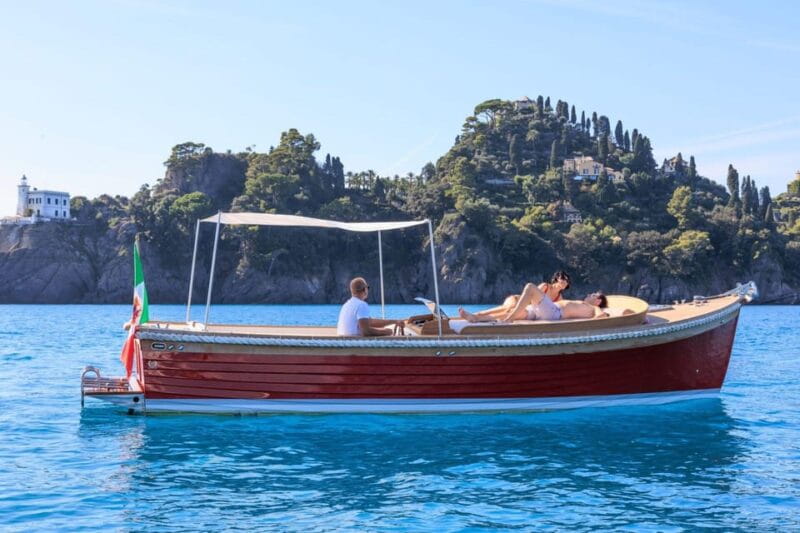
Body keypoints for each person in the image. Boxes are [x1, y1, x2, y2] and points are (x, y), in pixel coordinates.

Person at [460, 283, 609, 323]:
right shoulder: (581, 303)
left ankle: (510, 318)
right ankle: (476, 318)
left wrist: (584, 328)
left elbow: (601, 315)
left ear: (598, 300)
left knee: (530, 287)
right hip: (544, 312)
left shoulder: (591, 307)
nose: (589, 294)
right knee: (516, 312)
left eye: (593, 294)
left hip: (554, 313)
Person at [463, 271, 571, 322]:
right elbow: (531, 298)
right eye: (563, 278)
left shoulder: (559, 298)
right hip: (518, 300)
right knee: (506, 309)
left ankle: (476, 317)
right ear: (557, 278)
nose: (565, 281)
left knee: (508, 312)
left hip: (526, 307)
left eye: (567, 280)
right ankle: (476, 315)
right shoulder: (545, 286)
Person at [337, 277, 405, 336]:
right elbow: (366, 331)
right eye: (368, 288)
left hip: (346, 340)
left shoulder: (346, 305)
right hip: (354, 343)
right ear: (364, 290)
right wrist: (387, 331)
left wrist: (394, 321)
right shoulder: (361, 305)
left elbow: (370, 322)